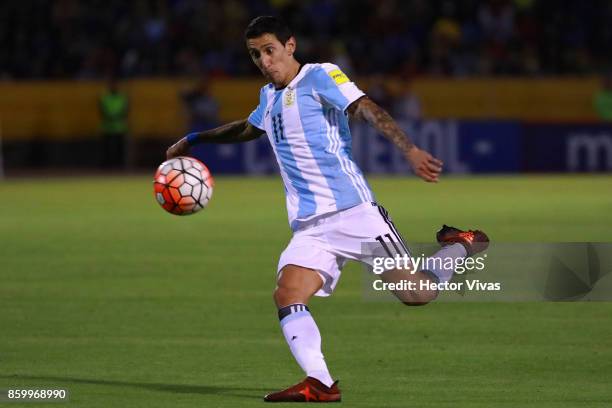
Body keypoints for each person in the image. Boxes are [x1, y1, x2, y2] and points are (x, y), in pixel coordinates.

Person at [166, 16, 488, 403]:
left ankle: (461, 244)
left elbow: (365, 107)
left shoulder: (320, 76)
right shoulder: (268, 97)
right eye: (255, 55)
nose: (265, 61)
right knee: (287, 293)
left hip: (353, 213)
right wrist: (196, 138)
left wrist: (410, 149)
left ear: (290, 45)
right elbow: (248, 128)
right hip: (309, 228)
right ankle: (319, 382)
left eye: (269, 50)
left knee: (416, 294)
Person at [99, 78, 129, 168]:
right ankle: (107, 166)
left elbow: (125, 111)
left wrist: (115, 116)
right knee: (106, 149)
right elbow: (102, 111)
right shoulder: (104, 98)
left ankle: (119, 166)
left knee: (119, 149)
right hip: (107, 127)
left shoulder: (122, 97)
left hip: (119, 127)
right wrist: (111, 116)